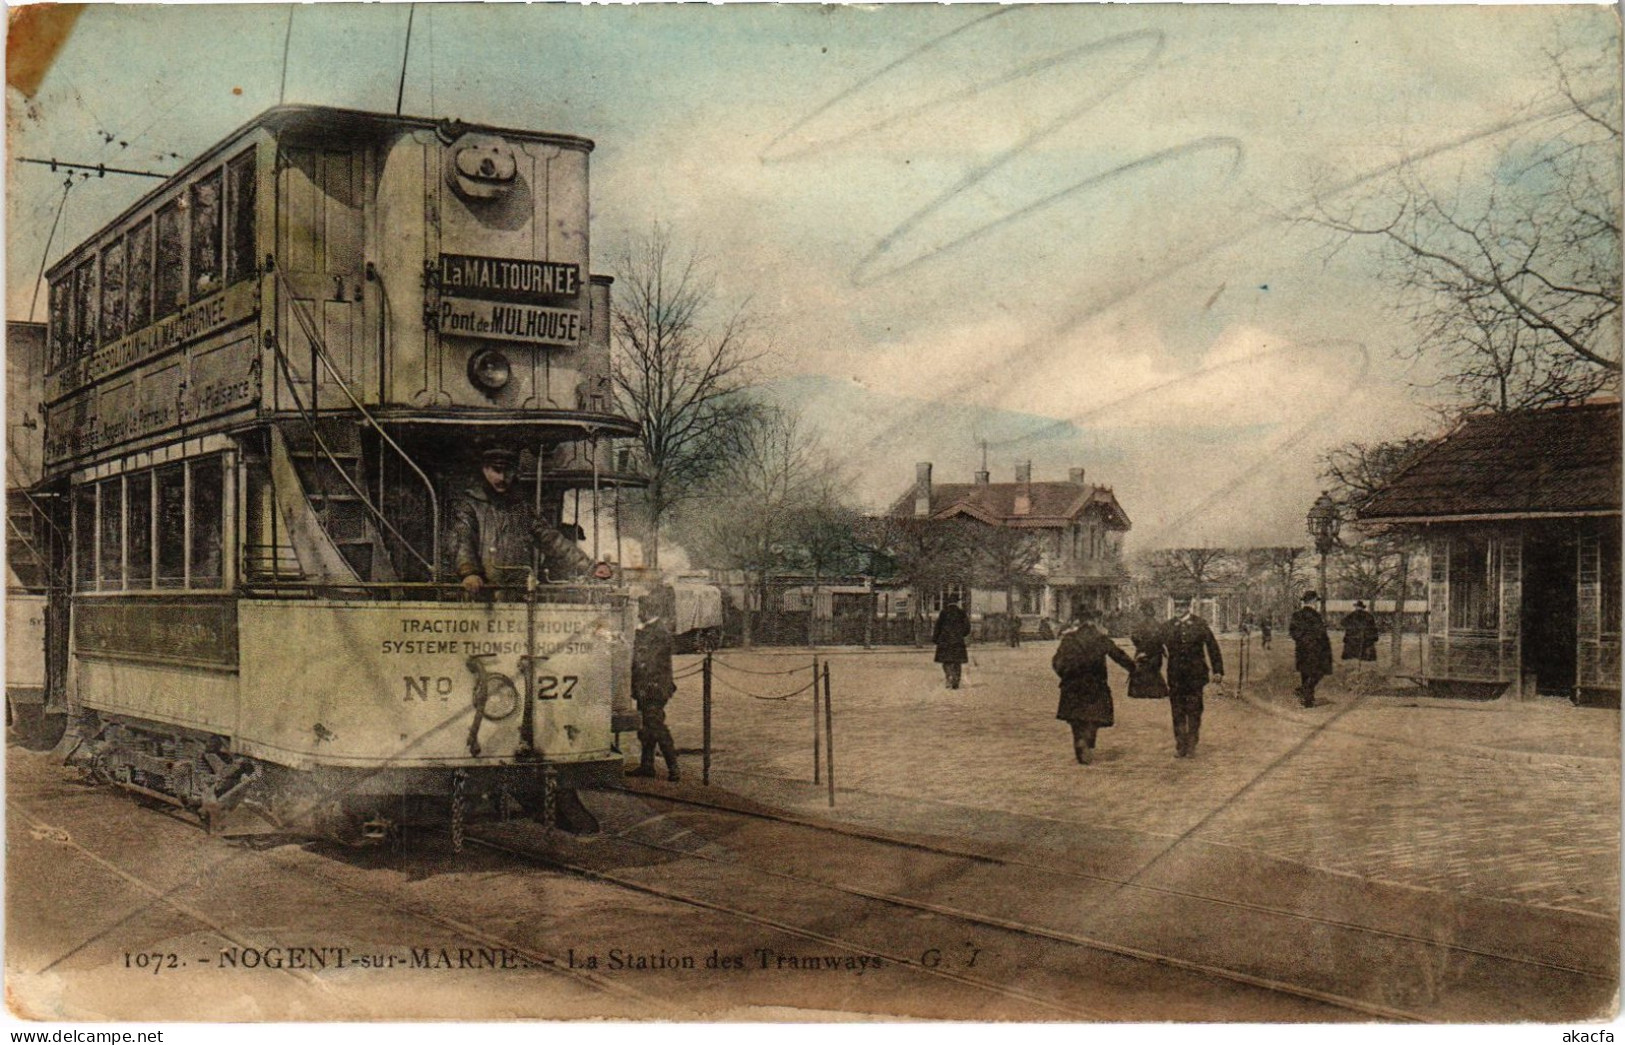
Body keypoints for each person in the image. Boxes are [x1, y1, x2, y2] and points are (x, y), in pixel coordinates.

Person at [449, 445, 592, 593]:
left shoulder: (521, 509)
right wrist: (469, 572)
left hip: (518, 592)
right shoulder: (470, 504)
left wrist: (589, 566)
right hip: (482, 593)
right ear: (485, 470)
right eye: (496, 470)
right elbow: (462, 539)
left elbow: (551, 539)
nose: (502, 478)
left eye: (508, 471)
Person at [1051, 609, 1134, 764]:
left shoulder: (1069, 638)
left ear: (1079, 621)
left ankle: (1079, 742)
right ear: (1092, 621)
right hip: (1095, 684)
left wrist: (1065, 675)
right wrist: (1134, 668)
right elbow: (1118, 655)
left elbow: (1057, 661)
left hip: (1072, 685)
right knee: (1094, 717)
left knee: (1076, 718)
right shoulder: (1100, 638)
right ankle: (1088, 741)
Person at [628, 593, 680, 781]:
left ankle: (673, 768)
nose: (638, 614)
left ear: (647, 610)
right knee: (647, 727)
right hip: (648, 687)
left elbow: (649, 663)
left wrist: (641, 684)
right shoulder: (651, 630)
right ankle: (647, 765)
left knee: (656, 726)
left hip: (654, 688)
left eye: (640, 610)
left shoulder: (657, 632)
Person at [1163, 599, 1224, 758]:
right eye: (1177, 606)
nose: (1179, 609)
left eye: (1182, 606)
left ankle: (1191, 744)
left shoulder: (1199, 624)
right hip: (1175, 676)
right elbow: (1154, 644)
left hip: (1195, 676)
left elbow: (1212, 647)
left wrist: (1218, 670)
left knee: (1194, 710)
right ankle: (1180, 745)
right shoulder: (1168, 626)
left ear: (1188, 607)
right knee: (1177, 711)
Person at [1289, 591, 1334, 707]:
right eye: (1316, 601)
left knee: (1305, 674)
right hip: (1316, 649)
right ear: (1313, 601)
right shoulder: (1315, 615)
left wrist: (1302, 640)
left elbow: (1293, 632)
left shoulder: (1296, 615)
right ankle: (1304, 693)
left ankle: (1308, 699)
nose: (1317, 604)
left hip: (1301, 649)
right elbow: (1320, 634)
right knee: (1319, 672)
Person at [1127, 601, 1169, 700]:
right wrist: (1162, 650)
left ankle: (1141, 693)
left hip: (1143, 652)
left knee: (1141, 672)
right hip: (1155, 653)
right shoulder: (1158, 625)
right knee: (1153, 672)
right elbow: (1162, 639)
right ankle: (1155, 692)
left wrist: (1140, 648)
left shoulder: (1140, 625)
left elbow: (1134, 637)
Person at [932, 595, 971, 689]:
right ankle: (956, 680)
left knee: (946, 661)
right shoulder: (961, 613)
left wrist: (935, 638)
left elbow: (938, 627)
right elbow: (967, 627)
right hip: (958, 641)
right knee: (957, 662)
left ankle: (948, 676)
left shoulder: (943, 613)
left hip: (945, 640)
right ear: (957, 602)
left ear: (947, 602)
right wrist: (962, 634)